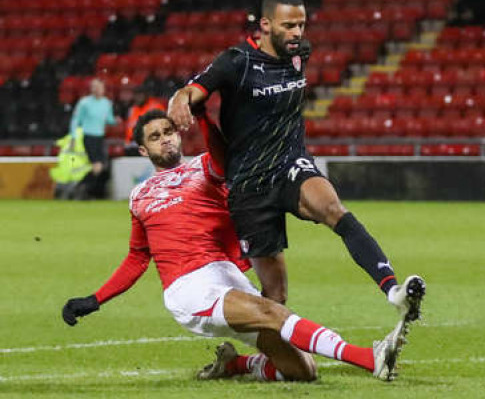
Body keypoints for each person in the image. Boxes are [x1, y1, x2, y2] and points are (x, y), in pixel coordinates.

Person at [61, 110, 408, 382]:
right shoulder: (139, 196)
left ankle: (234, 364)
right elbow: (137, 257)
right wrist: (95, 300)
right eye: (155, 137)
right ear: (142, 150)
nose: (165, 140)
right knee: (273, 313)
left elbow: (222, 160)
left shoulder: (203, 168)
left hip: (226, 277)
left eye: (169, 132)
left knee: (302, 370)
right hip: (188, 286)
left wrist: (203, 118)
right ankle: (369, 358)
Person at [167, 0, 426, 318]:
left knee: (332, 208)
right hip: (249, 184)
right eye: (288, 25)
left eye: (301, 25)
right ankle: (253, 356)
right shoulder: (236, 62)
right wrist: (179, 100)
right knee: (277, 294)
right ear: (265, 24)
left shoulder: (300, 53)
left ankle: (394, 291)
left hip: (290, 163)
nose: (297, 33)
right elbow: (194, 89)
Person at [69, 78, 119, 199]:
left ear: (103, 89)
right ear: (91, 89)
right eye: (94, 87)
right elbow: (76, 120)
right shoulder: (84, 103)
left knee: (100, 166)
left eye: (99, 87)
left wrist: (115, 121)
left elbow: (109, 119)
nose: (97, 90)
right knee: (97, 166)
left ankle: (81, 188)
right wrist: (73, 137)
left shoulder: (106, 103)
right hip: (89, 136)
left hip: (100, 137)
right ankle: (81, 188)